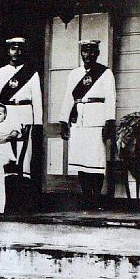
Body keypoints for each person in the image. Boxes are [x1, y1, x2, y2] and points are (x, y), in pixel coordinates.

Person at [58, 39, 117, 208]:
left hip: (96, 121)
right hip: (78, 121)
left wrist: (109, 122)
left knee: (96, 161)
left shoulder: (105, 73)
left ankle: (96, 198)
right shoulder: (74, 74)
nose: (88, 55)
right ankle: (85, 197)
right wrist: (64, 121)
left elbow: (111, 99)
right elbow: (68, 98)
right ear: (81, 53)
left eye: (92, 51)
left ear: (97, 53)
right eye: (85, 51)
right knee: (81, 160)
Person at [0, 37, 43, 183]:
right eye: (13, 49)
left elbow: (37, 100)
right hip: (6, 115)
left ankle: (23, 191)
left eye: (19, 49)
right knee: (6, 154)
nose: (16, 52)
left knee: (24, 156)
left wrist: (38, 124)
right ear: (8, 51)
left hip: (25, 114)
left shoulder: (32, 73)